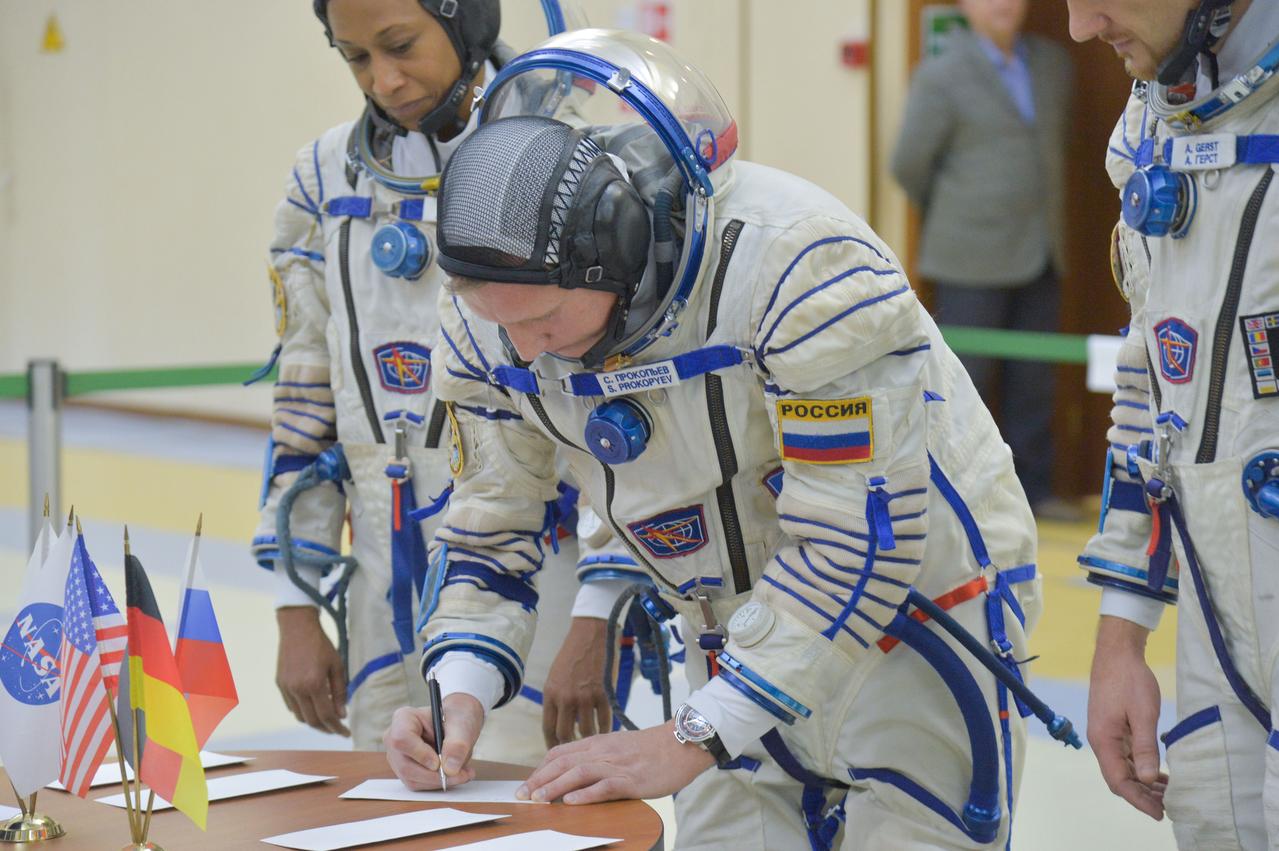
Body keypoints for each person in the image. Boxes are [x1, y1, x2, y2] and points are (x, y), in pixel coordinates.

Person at [380, 30, 1068, 850]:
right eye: (502, 325)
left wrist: (693, 734)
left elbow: (856, 540)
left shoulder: (799, 265)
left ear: (616, 255)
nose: (523, 352)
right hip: (724, 632)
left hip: (912, 621)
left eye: (545, 320)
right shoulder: (489, 313)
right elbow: (491, 521)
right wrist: (457, 689)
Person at [249, 0, 640, 755]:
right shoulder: (322, 178)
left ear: (467, 23)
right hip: (383, 559)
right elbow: (303, 397)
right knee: (389, 783)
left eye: (400, 45)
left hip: (540, 556)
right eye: (355, 57)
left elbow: (625, 409)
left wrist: (598, 608)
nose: (384, 80)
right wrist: (294, 604)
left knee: (521, 787)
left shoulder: (570, 160)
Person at [1069, 0, 1279, 846]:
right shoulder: (1151, 125)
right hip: (1219, 644)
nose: (1080, 25)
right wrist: (1121, 633)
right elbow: (1148, 386)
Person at [891, 0, 1077, 521]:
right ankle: (961, 503)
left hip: (1043, 249)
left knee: (1034, 382)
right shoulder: (941, 73)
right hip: (968, 255)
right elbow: (908, 165)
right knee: (962, 384)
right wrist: (963, 210)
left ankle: (1034, 494)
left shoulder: (1053, 63)